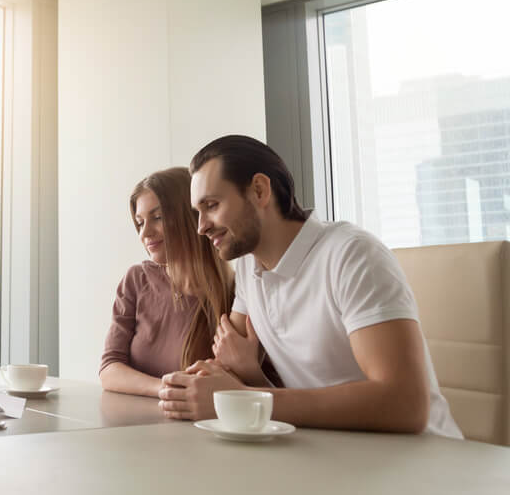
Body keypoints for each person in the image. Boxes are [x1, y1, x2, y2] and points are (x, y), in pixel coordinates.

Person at [158, 134, 461, 438]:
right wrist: (204, 385)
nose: (201, 226)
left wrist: (243, 397)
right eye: (198, 212)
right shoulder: (250, 267)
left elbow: (405, 405)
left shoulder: (352, 255)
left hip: (418, 460)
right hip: (332, 453)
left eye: (211, 205)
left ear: (260, 191)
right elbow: (225, 370)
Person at [99, 167, 235, 397]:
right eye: (140, 222)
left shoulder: (237, 294)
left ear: (190, 216)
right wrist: (166, 389)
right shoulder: (136, 280)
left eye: (158, 217)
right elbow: (109, 368)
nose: (145, 233)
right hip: (133, 425)